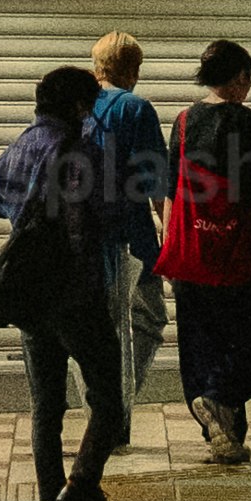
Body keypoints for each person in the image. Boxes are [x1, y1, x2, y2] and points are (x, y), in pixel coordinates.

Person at [0, 64, 130, 501]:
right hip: (74, 289)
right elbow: (105, 212)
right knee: (109, 398)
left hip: (31, 292)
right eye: (88, 106)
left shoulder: (18, 148)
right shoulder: (78, 150)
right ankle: (80, 491)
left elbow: (0, 198)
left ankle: (54, 497)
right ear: (77, 107)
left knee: (46, 403)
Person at [160, 38, 251, 466]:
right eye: (248, 78)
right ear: (237, 78)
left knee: (202, 344)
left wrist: (171, 245)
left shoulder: (181, 121)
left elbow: (169, 194)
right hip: (238, 253)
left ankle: (223, 437)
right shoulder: (247, 122)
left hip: (192, 253)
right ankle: (220, 403)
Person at [88, 27, 171, 388]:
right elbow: (155, 184)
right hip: (132, 237)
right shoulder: (136, 108)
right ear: (134, 70)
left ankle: (100, 402)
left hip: (87, 240)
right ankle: (120, 401)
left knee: (100, 326)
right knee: (149, 319)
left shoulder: (78, 106)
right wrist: (170, 240)